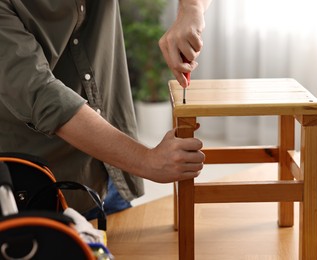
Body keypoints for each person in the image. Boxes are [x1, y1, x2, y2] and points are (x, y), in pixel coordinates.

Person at [0, 0, 212, 217]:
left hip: (112, 169)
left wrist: (191, 10)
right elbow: (42, 94)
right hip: (44, 191)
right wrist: (147, 161)